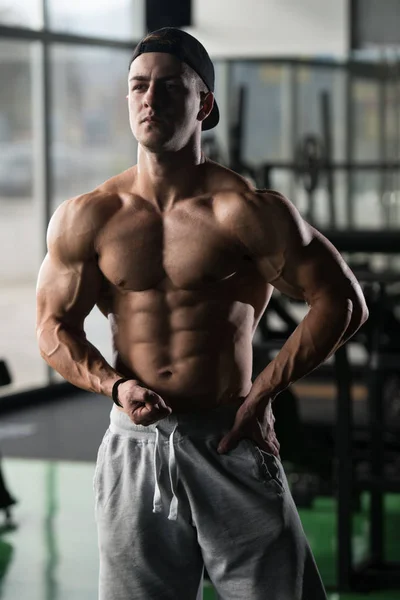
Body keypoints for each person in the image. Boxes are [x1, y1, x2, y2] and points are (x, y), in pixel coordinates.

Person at [36, 27, 368, 600]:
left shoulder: (245, 212)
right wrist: (116, 388)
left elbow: (343, 302)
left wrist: (262, 393)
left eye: (169, 88)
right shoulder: (89, 217)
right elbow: (52, 326)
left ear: (203, 103)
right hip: (134, 446)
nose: (150, 100)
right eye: (139, 87)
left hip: (228, 440)